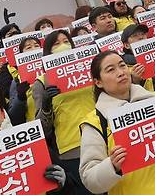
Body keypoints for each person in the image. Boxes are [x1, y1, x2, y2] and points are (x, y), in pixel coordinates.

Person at [79, 51, 155, 194]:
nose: (120, 72)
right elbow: (90, 180)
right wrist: (112, 165)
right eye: (111, 70)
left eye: (122, 66)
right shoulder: (95, 122)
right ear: (98, 82)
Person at [33, 30, 95, 194]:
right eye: (56, 44)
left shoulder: (90, 69)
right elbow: (42, 129)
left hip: (103, 137)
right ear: (48, 52)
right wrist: (46, 104)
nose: (63, 46)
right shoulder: (41, 82)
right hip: (72, 148)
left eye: (66, 41)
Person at [7, 36, 42, 125]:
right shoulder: (17, 81)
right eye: (29, 47)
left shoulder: (53, 71)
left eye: (36, 45)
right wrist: (20, 98)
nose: (33, 49)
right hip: (35, 124)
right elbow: (13, 114)